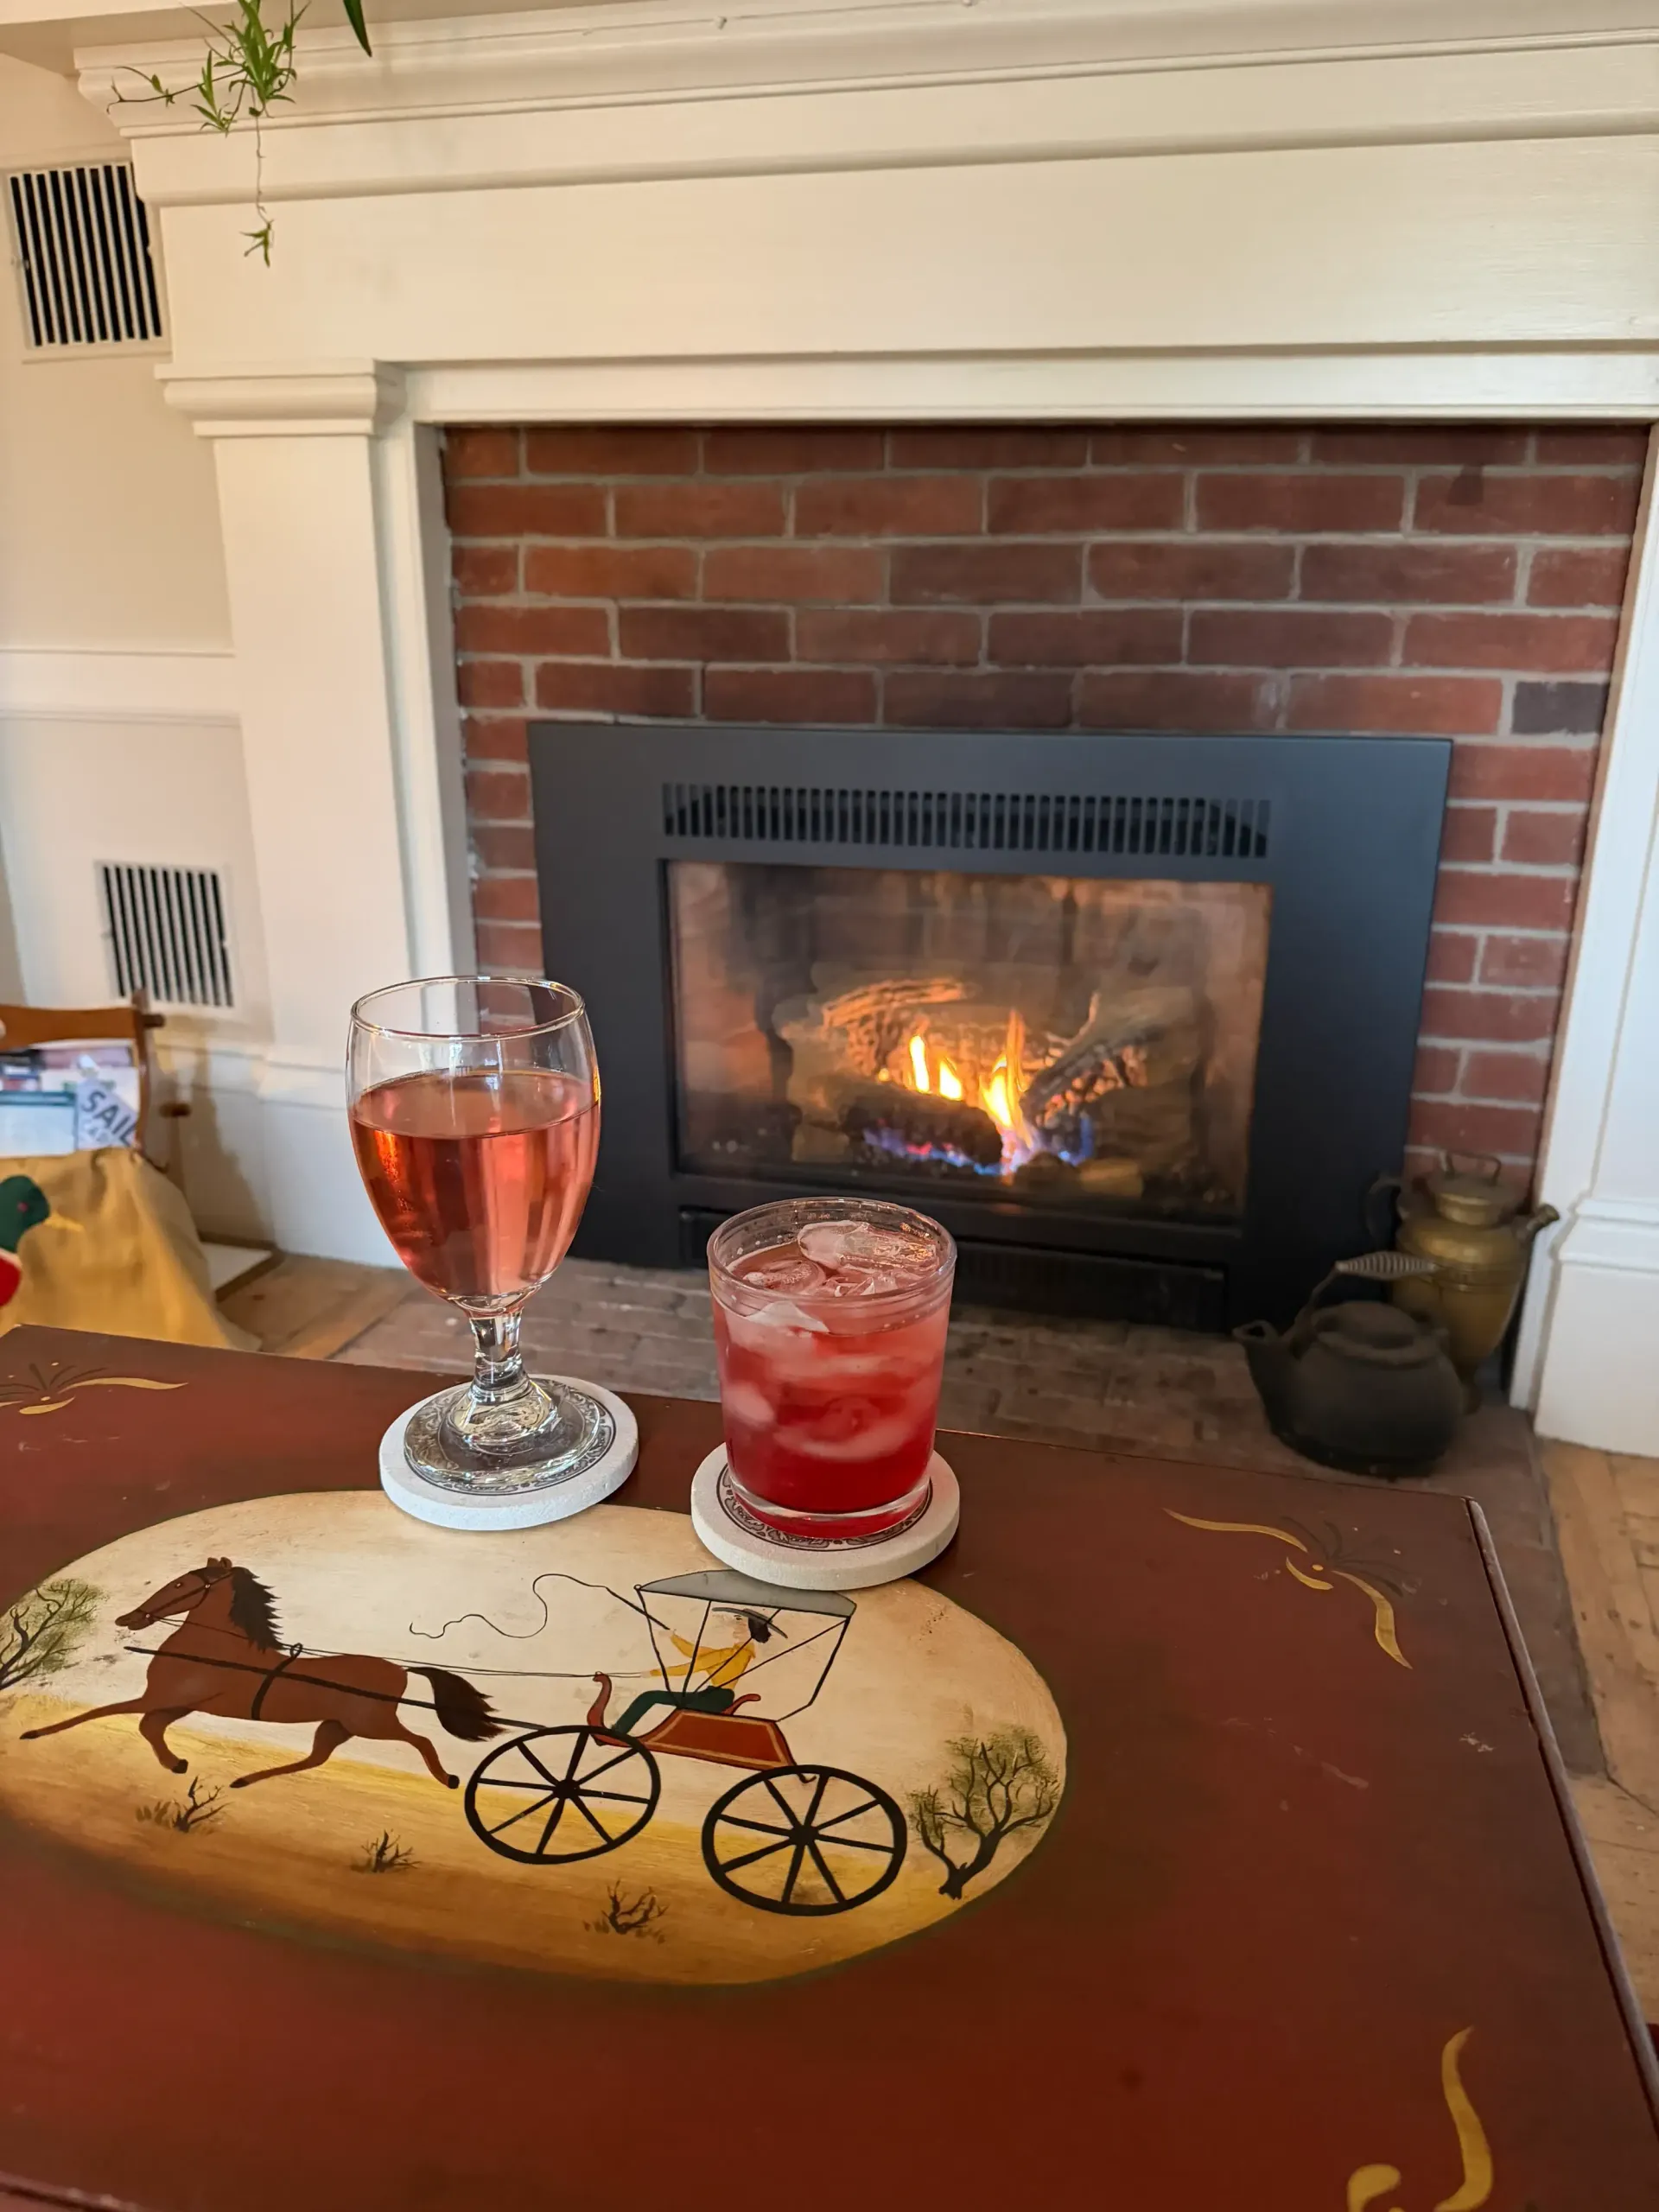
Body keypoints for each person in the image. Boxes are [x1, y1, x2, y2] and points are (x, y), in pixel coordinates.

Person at [612, 1609, 784, 1737]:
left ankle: (619, 1731)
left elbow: (693, 1666)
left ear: (751, 1631)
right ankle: (619, 1731)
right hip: (712, 1695)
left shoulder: (735, 1654)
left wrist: (654, 1673)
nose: (736, 1626)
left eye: (741, 1623)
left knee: (649, 1696)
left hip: (715, 1699)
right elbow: (695, 1652)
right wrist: (673, 1637)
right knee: (650, 1697)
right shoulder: (735, 1651)